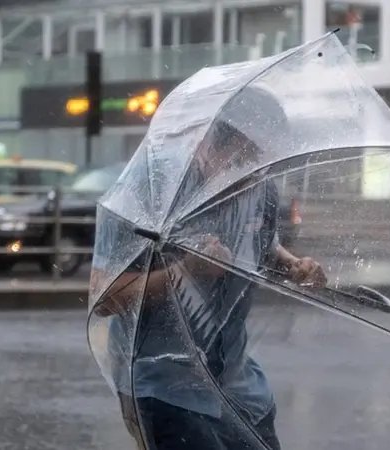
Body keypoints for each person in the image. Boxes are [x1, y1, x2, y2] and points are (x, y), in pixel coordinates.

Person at [91, 93, 326, 449]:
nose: (258, 172)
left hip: (239, 387)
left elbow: (263, 241)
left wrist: (291, 264)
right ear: (214, 145)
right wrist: (185, 271)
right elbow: (105, 296)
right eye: (248, 157)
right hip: (163, 388)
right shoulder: (150, 187)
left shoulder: (259, 187)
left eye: (265, 159)